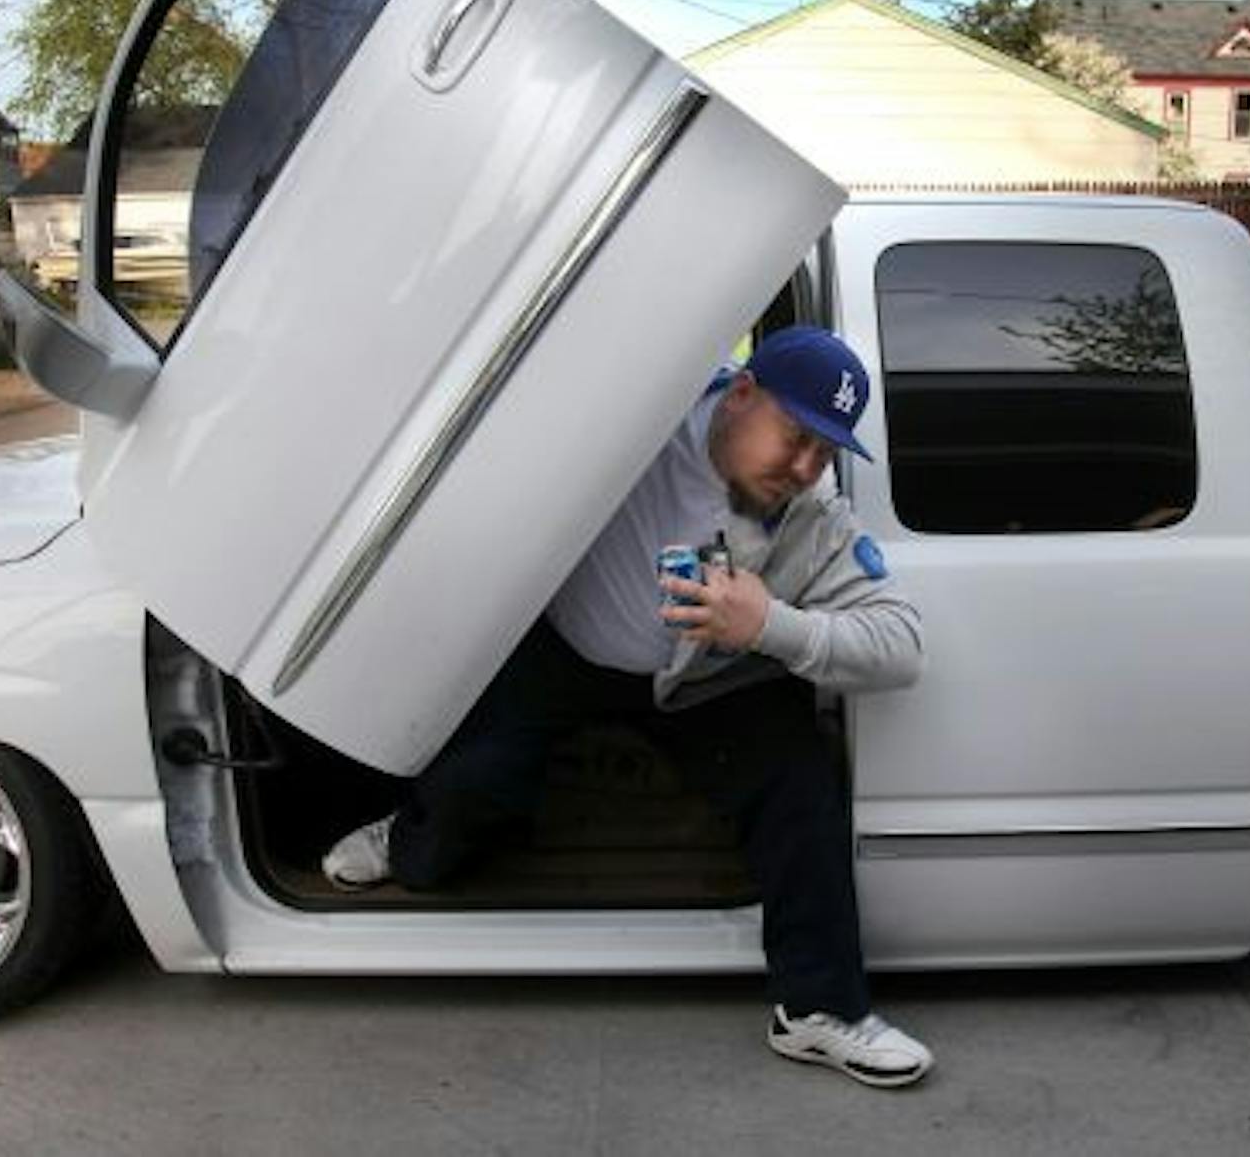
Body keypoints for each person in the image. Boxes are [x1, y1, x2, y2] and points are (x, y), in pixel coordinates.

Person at [322, 325, 932, 1088]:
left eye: (826, 449)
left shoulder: (812, 514)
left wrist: (770, 625)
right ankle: (408, 843)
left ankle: (819, 1011)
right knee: (474, 779)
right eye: (796, 437)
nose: (807, 467)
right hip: (567, 645)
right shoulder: (640, 406)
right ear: (741, 394)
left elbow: (901, 646)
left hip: (706, 677)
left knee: (798, 788)